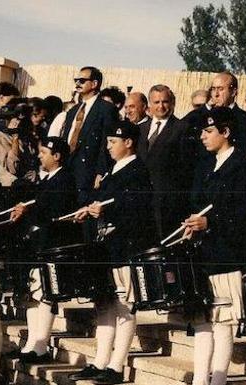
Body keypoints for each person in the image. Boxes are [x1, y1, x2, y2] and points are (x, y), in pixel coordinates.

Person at [69, 120, 154, 384]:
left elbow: (138, 210)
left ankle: (116, 365)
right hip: (106, 246)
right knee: (104, 304)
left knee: (124, 305)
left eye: (113, 142)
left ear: (128, 142)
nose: (108, 147)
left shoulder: (138, 170)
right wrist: (90, 212)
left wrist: (105, 210)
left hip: (126, 246)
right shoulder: (112, 170)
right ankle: (100, 361)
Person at [182, 107, 246, 385]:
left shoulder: (242, 167)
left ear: (226, 133)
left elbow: (245, 213)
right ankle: (200, 379)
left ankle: (219, 380)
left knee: (224, 323)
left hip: (227, 255)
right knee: (202, 321)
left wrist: (210, 222)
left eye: (209, 131)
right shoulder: (205, 164)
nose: (203, 136)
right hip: (203, 253)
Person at [9, 137, 79, 364]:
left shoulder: (64, 179)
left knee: (46, 294)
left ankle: (41, 345)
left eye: (44, 152)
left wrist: (28, 210)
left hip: (51, 244)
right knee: (34, 295)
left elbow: (52, 211)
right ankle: (32, 343)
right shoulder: (46, 180)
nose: (40, 156)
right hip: (37, 245)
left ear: (57, 156)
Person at [137, 84, 194, 238]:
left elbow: (187, 168)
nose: (161, 106)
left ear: (172, 103)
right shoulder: (140, 129)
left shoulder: (182, 128)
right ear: (149, 104)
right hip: (142, 200)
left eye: (165, 102)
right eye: (156, 102)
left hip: (168, 202)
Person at [62, 66, 119, 204]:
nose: (77, 84)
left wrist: (101, 171)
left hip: (89, 172)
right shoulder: (73, 111)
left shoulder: (106, 109)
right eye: (76, 80)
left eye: (82, 80)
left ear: (94, 84)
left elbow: (107, 142)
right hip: (68, 169)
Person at [0, 98, 41, 186]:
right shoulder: (2, 137)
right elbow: (12, 167)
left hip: (27, 184)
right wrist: (15, 138)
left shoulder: (28, 137)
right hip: (10, 185)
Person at [208, 71, 246, 155]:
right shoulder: (206, 116)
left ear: (233, 92)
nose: (216, 94)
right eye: (213, 89)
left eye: (220, 89)